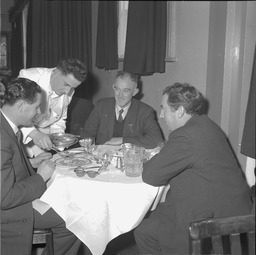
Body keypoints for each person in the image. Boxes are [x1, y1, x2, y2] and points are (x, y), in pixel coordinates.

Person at [134, 82, 252, 254]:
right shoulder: (204, 124)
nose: (161, 115)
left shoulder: (186, 136)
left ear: (180, 111)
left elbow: (150, 175)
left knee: (145, 231)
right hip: (229, 208)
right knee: (152, 221)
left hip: (217, 223)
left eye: (163, 109)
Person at [0, 78, 82, 255]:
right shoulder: (1, 137)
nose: (38, 112)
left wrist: (31, 163)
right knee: (76, 220)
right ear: (21, 106)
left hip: (13, 199)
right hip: (8, 213)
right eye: (36, 107)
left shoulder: (6, 123)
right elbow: (5, 198)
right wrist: (41, 177)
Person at [18, 58, 87, 157]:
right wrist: (35, 134)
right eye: (66, 84)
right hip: (19, 138)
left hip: (43, 138)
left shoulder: (69, 90)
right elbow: (16, 114)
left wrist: (59, 145)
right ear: (57, 72)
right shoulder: (28, 77)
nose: (68, 92)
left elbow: (59, 119)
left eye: (72, 87)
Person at [82, 71, 163, 149]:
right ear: (113, 87)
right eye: (117, 89)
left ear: (135, 92)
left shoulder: (145, 111)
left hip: (128, 159)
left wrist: (123, 140)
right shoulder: (101, 106)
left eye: (125, 91)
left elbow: (156, 140)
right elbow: (87, 134)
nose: (120, 95)